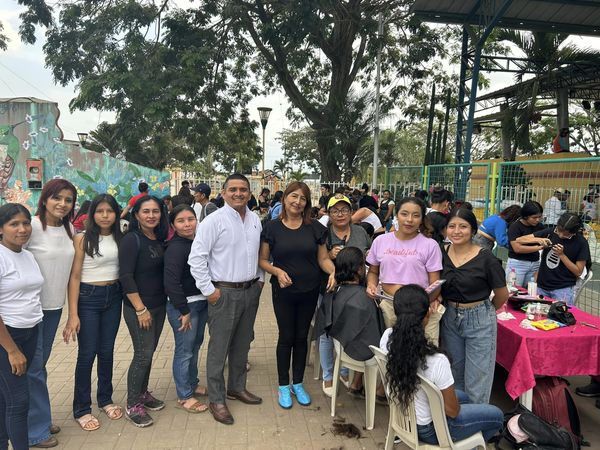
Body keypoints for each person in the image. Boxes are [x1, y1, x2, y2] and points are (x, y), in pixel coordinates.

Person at [380, 285, 503, 445]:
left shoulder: (387, 337)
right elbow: (452, 411)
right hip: (430, 430)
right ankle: (468, 445)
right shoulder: (437, 360)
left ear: (396, 312)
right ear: (427, 314)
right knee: (497, 415)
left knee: (464, 397)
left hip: (404, 417)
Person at [188, 173, 264, 426]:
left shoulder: (255, 219)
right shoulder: (213, 221)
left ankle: (237, 387)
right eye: (233, 189)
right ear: (223, 193)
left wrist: (260, 280)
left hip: (250, 290)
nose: (238, 193)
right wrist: (209, 290)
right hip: (223, 293)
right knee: (219, 349)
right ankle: (217, 398)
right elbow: (196, 258)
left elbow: (258, 253)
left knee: (242, 345)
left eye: (243, 189)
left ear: (250, 193)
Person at [259, 181, 335, 409]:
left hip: (309, 290)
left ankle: (298, 383)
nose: (297, 202)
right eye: (294, 196)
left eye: (303, 198)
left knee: (302, 337)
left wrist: (333, 271)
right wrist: (277, 271)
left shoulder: (315, 228)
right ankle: (283, 384)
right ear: (285, 198)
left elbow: (323, 258)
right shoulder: (272, 227)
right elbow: (262, 260)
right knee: (286, 336)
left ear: (307, 203)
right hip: (283, 291)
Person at [63, 194, 124, 431]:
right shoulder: (81, 239)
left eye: (110, 211)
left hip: (114, 296)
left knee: (107, 352)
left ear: (116, 213)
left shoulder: (121, 237)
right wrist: (73, 314)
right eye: (100, 211)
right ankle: (82, 408)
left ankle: (105, 399)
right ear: (92, 214)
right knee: (87, 354)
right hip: (88, 298)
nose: (105, 216)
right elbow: (74, 277)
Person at [25, 178, 77, 448]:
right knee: (33, 369)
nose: (62, 204)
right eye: (57, 197)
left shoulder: (69, 229)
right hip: (29, 311)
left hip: (54, 308)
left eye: (68, 200)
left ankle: (38, 419)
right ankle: (34, 431)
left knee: (38, 366)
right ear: (45, 198)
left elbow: (71, 275)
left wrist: (71, 313)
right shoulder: (30, 227)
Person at [440, 208, 508, 404]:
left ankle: (477, 420)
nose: (456, 231)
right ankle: (459, 417)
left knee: (478, 377)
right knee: (454, 372)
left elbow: (502, 294)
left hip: (480, 318)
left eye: (463, 226)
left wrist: (483, 312)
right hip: (449, 316)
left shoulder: (486, 258)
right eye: (452, 226)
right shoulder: (441, 252)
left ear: (473, 230)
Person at [119, 195, 168, 427]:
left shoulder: (158, 238)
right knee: (142, 355)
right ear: (136, 214)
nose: (151, 215)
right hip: (139, 308)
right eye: (146, 211)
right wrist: (140, 308)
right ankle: (132, 405)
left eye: (155, 211)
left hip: (159, 305)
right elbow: (126, 276)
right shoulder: (132, 239)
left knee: (149, 352)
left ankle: (142, 393)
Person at [0, 204, 44, 450]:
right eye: (14, 224)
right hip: (7, 337)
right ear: (1, 229)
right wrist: (12, 350)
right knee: (18, 401)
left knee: (4, 398)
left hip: (30, 330)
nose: (22, 229)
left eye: (26, 223)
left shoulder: (27, 255)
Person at [318, 194, 371, 397]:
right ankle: (328, 375)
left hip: (357, 291)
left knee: (353, 329)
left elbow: (369, 254)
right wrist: (331, 259)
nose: (340, 214)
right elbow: (321, 259)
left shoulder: (360, 232)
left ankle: (345, 371)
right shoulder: (324, 234)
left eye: (344, 210)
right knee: (327, 331)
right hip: (331, 290)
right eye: (335, 211)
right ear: (329, 214)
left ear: (351, 212)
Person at [366, 197, 442, 330]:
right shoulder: (380, 241)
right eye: (404, 214)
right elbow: (373, 271)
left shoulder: (430, 245)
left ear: (422, 219)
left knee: (422, 343)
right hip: (389, 306)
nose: (409, 220)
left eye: (416, 215)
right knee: (390, 342)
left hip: (420, 309)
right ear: (396, 215)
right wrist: (371, 285)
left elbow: (435, 283)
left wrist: (423, 305)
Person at [164, 205, 209, 414]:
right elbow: (171, 282)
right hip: (184, 306)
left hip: (200, 301)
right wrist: (183, 310)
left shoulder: (196, 242)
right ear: (173, 225)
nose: (187, 224)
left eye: (190, 219)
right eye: (181, 221)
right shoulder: (175, 248)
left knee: (195, 346)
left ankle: (192, 383)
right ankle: (184, 395)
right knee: (184, 351)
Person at [515, 213, 590, 306]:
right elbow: (519, 240)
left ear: (574, 232)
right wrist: (538, 240)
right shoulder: (550, 232)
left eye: (566, 234)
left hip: (562, 289)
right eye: (559, 231)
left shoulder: (581, 243)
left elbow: (578, 271)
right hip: (541, 286)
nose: (561, 236)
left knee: (560, 313)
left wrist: (562, 255)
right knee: (535, 311)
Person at [506, 201, 546, 288]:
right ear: (525, 216)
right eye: (534, 217)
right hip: (518, 263)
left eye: (539, 217)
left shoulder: (540, 226)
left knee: (531, 291)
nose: (537, 220)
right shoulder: (515, 227)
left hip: (534, 263)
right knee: (514, 290)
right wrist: (539, 247)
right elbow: (517, 249)